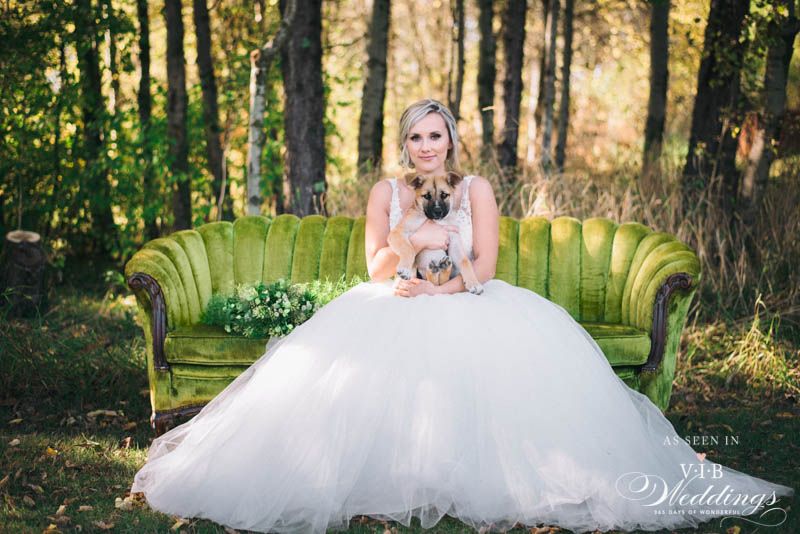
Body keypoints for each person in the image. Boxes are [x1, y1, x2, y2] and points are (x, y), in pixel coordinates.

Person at [130, 99, 794, 533]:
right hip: (394, 301)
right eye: (416, 137)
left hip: (468, 296)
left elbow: (488, 261)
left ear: (451, 138)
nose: (426, 146)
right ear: (406, 142)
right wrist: (409, 243)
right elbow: (373, 270)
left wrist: (444, 291)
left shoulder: (474, 187)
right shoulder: (387, 191)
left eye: (435, 135)